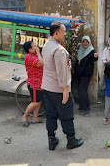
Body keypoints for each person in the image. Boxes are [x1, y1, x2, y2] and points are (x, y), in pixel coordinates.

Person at [41, 21, 83, 151]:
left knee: (50, 114)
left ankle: (51, 140)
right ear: (56, 33)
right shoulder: (59, 50)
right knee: (66, 115)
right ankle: (71, 140)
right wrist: (66, 90)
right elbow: (61, 72)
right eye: (64, 31)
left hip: (47, 86)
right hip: (58, 88)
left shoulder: (47, 45)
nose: (65, 34)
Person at [21, 41, 45, 127]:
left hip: (39, 83)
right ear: (29, 49)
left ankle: (35, 118)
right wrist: (38, 52)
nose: (36, 47)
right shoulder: (29, 57)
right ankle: (25, 116)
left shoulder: (34, 55)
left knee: (38, 102)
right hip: (34, 84)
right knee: (35, 102)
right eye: (34, 46)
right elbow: (40, 63)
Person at [74, 36, 98, 115]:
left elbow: (94, 58)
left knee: (82, 90)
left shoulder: (91, 51)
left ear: (89, 43)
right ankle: (82, 106)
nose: (85, 43)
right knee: (81, 90)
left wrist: (96, 56)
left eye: (87, 42)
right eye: (84, 42)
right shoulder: (81, 50)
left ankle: (86, 108)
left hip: (86, 74)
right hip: (79, 74)